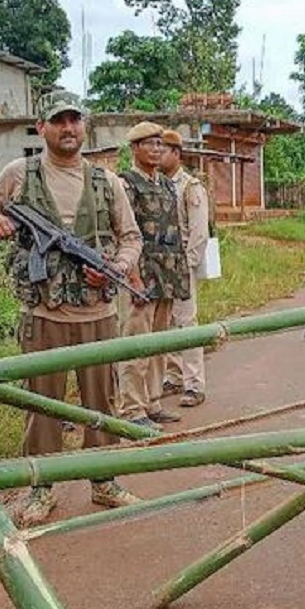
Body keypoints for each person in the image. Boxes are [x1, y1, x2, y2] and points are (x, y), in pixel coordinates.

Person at [0, 91, 144, 524]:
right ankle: (41, 488)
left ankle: (104, 481)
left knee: (101, 404)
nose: (68, 128)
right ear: (42, 128)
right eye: (58, 121)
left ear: (84, 127)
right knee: (43, 403)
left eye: (75, 120)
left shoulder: (108, 182)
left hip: (97, 314)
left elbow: (131, 238)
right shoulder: (19, 174)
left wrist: (115, 268)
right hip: (43, 314)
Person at [118, 122, 190, 429]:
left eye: (160, 143)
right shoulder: (125, 183)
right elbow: (124, 235)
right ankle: (131, 409)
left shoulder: (166, 184)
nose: (157, 149)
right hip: (140, 272)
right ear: (135, 148)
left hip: (167, 272)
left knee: (160, 343)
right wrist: (132, 279)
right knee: (136, 344)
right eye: (150, 143)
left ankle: (152, 401)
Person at [159, 129, 211, 407]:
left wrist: (188, 264)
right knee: (165, 324)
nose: (158, 153)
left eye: (163, 149)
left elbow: (199, 231)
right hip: (159, 265)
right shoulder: (155, 184)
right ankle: (173, 375)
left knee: (187, 324)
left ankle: (194, 383)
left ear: (176, 153)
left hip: (180, 264)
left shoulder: (190, 187)